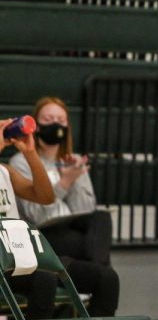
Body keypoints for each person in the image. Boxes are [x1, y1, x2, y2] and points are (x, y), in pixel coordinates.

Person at [0, 118, 118, 320]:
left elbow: (45, 196)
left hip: (23, 257)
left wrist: (30, 153)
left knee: (106, 278)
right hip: (5, 265)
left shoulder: (5, 171)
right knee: (44, 276)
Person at [10, 97, 113, 267]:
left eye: (61, 120)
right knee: (91, 245)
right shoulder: (21, 162)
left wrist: (75, 179)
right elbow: (36, 216)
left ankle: (98, 273)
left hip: (71, 226)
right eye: (48, 120)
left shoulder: (74, 160)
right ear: (37, 126)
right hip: (41, 233)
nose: (55, 124)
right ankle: (99, 273)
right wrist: (64, 183)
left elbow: (85, 210)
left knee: (101, 218)